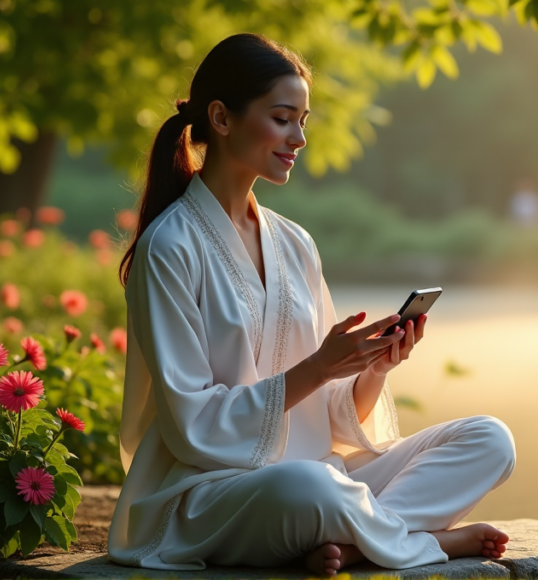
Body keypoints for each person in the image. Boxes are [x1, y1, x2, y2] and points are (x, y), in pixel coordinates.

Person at [107, 33, 516, 576]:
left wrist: (370, 368)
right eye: (282, 118)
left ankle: (360, 543)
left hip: (324, 483)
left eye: (303, 119)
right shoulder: (170, 247)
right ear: (222, 119)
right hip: (217, 493)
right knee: (309, 486)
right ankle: (433, 543)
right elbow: (193, 427)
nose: (299, 137)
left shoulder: (294, 242)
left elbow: (332, 413)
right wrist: (319, 366)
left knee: (490, 439)